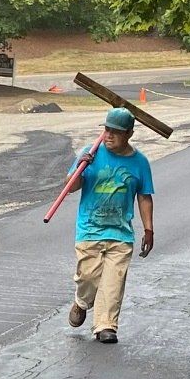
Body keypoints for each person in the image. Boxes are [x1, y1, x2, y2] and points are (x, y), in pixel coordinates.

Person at [65, 107, 154, 343]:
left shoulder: (140, 162)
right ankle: (82, 302)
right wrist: (81, 168)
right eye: (106, 130)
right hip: (90, 229)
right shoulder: (91, 153)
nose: (109, 136)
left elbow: (144, 196)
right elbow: (70, 187)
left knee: (113, 283)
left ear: (129, 134)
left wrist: (148, 229)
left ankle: (106, 326)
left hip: (120, 232)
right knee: (88, 277)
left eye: (116, 132)